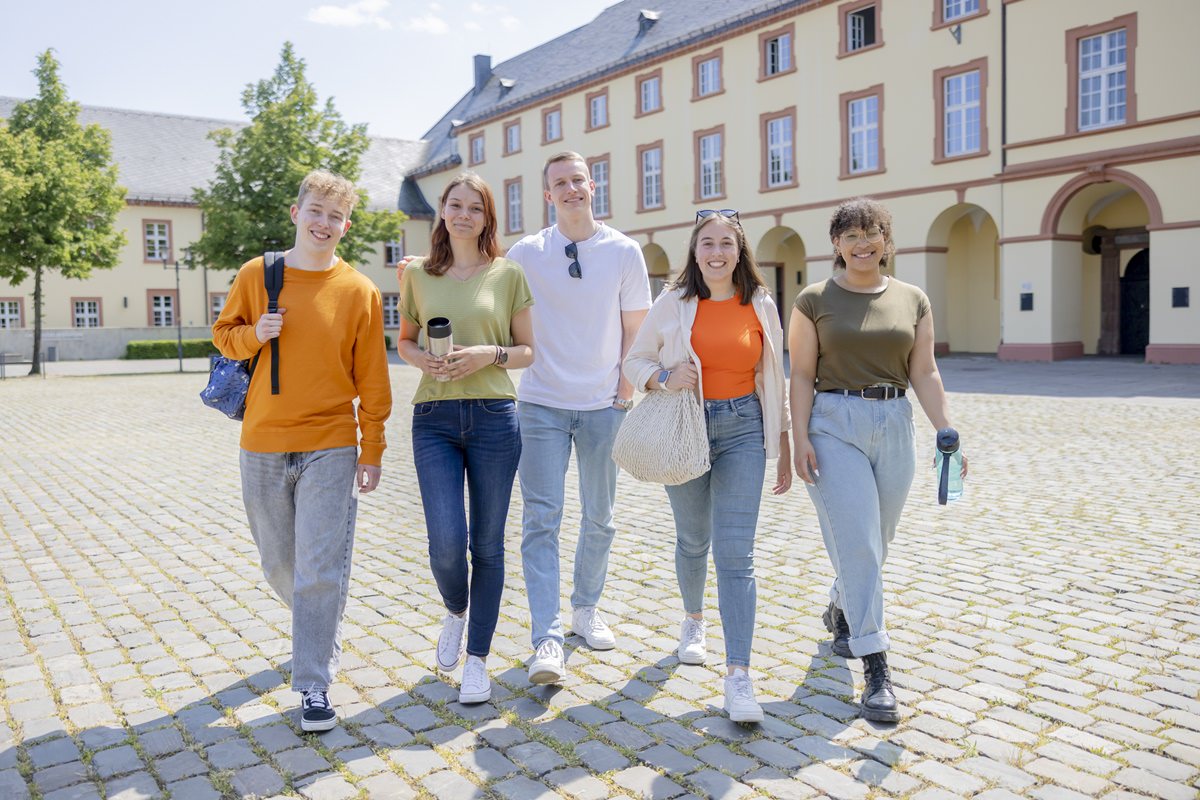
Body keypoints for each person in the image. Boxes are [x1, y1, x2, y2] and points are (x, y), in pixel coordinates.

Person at [212, 169, 392, 732]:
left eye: (335, 216)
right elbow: (223, 335)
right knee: (279, 563)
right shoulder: (257, 274)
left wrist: (373, 449)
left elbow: (373, 378)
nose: (324, 223)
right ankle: (316, 626)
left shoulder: (360, 290)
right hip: (263, 439)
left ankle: (314, 682)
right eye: (316, 211)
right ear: (297, 214)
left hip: (332, 444)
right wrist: (255, 335)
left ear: (345, 225)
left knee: (318, 567)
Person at [789, 197, 967, 723]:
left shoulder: (913, 298)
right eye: (851, 235)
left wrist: (946, 429)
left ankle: (842, 605)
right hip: (832, 424)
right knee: (861, 544)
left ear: (887, 242)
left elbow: (926, 371)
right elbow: (800, 373)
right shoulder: (813, 299)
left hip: (894, 425)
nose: (862, 243)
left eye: (872, 234)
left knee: (876, 541)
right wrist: (798, 437)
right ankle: (876, 666)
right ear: (837, 245)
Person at [625, 209, 791, 723]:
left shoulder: (760, 304)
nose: (716, 252)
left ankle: (739, 676)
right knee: (693, 539)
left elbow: (775, 375)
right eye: (707, 244)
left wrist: (781, 438)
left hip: (744, 426)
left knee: (736, 553)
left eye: (726, 243)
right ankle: (693, 620)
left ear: (740, 251)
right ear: (694, 252)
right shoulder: (673, 302)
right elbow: (634, 361)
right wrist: (660, 377)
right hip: (686, 428)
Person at [507, 151, 651, 685]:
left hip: (602, 407)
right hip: (541, 404)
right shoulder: (526, 253)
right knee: (540, 520)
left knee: (601, 516)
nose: (570, 190)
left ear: (593, 186)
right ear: (548, 195)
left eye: (578, 180)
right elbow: (486, 299)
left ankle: (585, 610)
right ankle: (546, 637)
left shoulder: (623, 251)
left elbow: (635, 328)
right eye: (559, 184)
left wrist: (623, 391)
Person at [396, 173, 534, 705]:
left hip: (495, 415)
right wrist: (421, 358)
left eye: (474, 207)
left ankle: (477, 660)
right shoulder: (419, 276)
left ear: (486, 216)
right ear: (443, 214)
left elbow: (527, 352)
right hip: (433, 416)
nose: (463, 214)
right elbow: (404, 342)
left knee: (489, 544)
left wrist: (486, 354)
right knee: (446, 542)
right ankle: (456, 608)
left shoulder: (508, 274)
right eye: (454, 205)